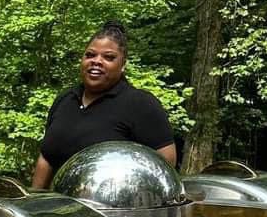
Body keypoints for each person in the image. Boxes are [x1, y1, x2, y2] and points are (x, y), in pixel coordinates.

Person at [31, 22, 177, 189]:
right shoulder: (65, 99)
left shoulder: (139, 103)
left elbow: (165, 165)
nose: (96, 61)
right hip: (58, 209)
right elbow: (46, 157)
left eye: (109, 57)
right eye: (90, 55)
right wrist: (34, 201)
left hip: (115, 210)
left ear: (123, 65)